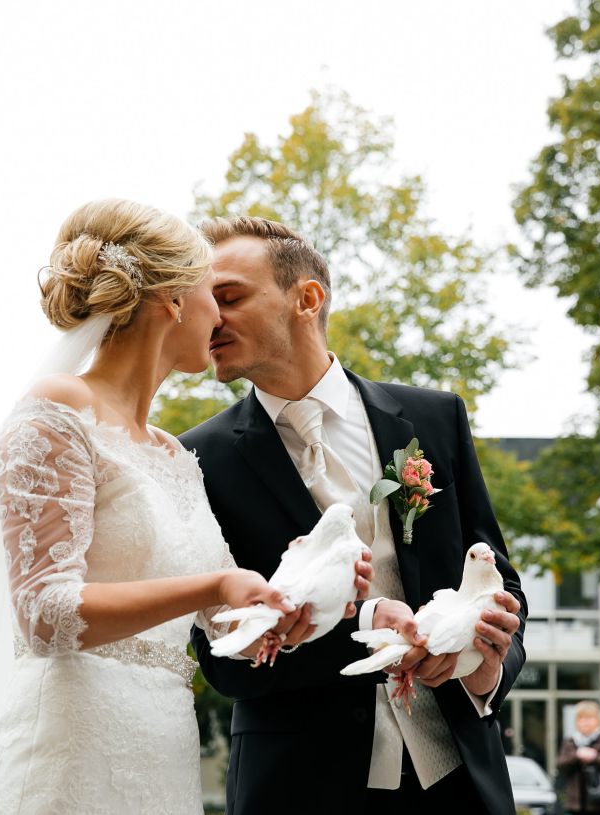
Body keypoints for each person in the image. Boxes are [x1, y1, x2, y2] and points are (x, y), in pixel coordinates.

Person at [0, 200, 372, 814]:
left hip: (162, 753)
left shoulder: (173, 453)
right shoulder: (58, 410)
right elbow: (45, 614)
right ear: (175, 301)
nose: (218, 315)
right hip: (68, 750)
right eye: (213, 293)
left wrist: (301, 588)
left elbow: (225, 627)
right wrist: (214, 583)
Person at [183, 216, 528, 814]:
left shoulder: (434, 420)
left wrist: (482, 669)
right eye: (203, 302)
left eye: (230, 297)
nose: (210, 318)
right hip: (299, 787)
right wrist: (364, 625)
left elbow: (500, 581)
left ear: (307, 299)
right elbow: (223, 660)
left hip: (458, 781)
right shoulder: (196, 459)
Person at [556, 702, 600, 815]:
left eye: (589, 718)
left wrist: (596, 757)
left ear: (598, 720)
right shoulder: (570, 742)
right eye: (581, 718)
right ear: (576, 722)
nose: (585, 722)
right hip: (575, 805)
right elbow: (561, 766)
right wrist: (577, 756)